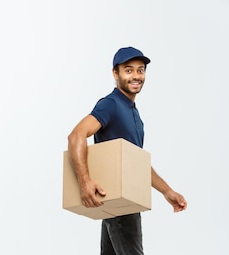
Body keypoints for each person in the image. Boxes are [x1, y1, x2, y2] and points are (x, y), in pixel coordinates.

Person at [67, 46, 187, 255]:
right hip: (119, 200)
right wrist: (84, 181)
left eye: (140, 70)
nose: (136, 76)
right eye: (129, 70)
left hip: (122, 200)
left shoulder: (135, 115)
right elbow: (76, 135)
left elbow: (136, 164)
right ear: (116, 73)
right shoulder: (110, 105)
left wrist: (167, 191)